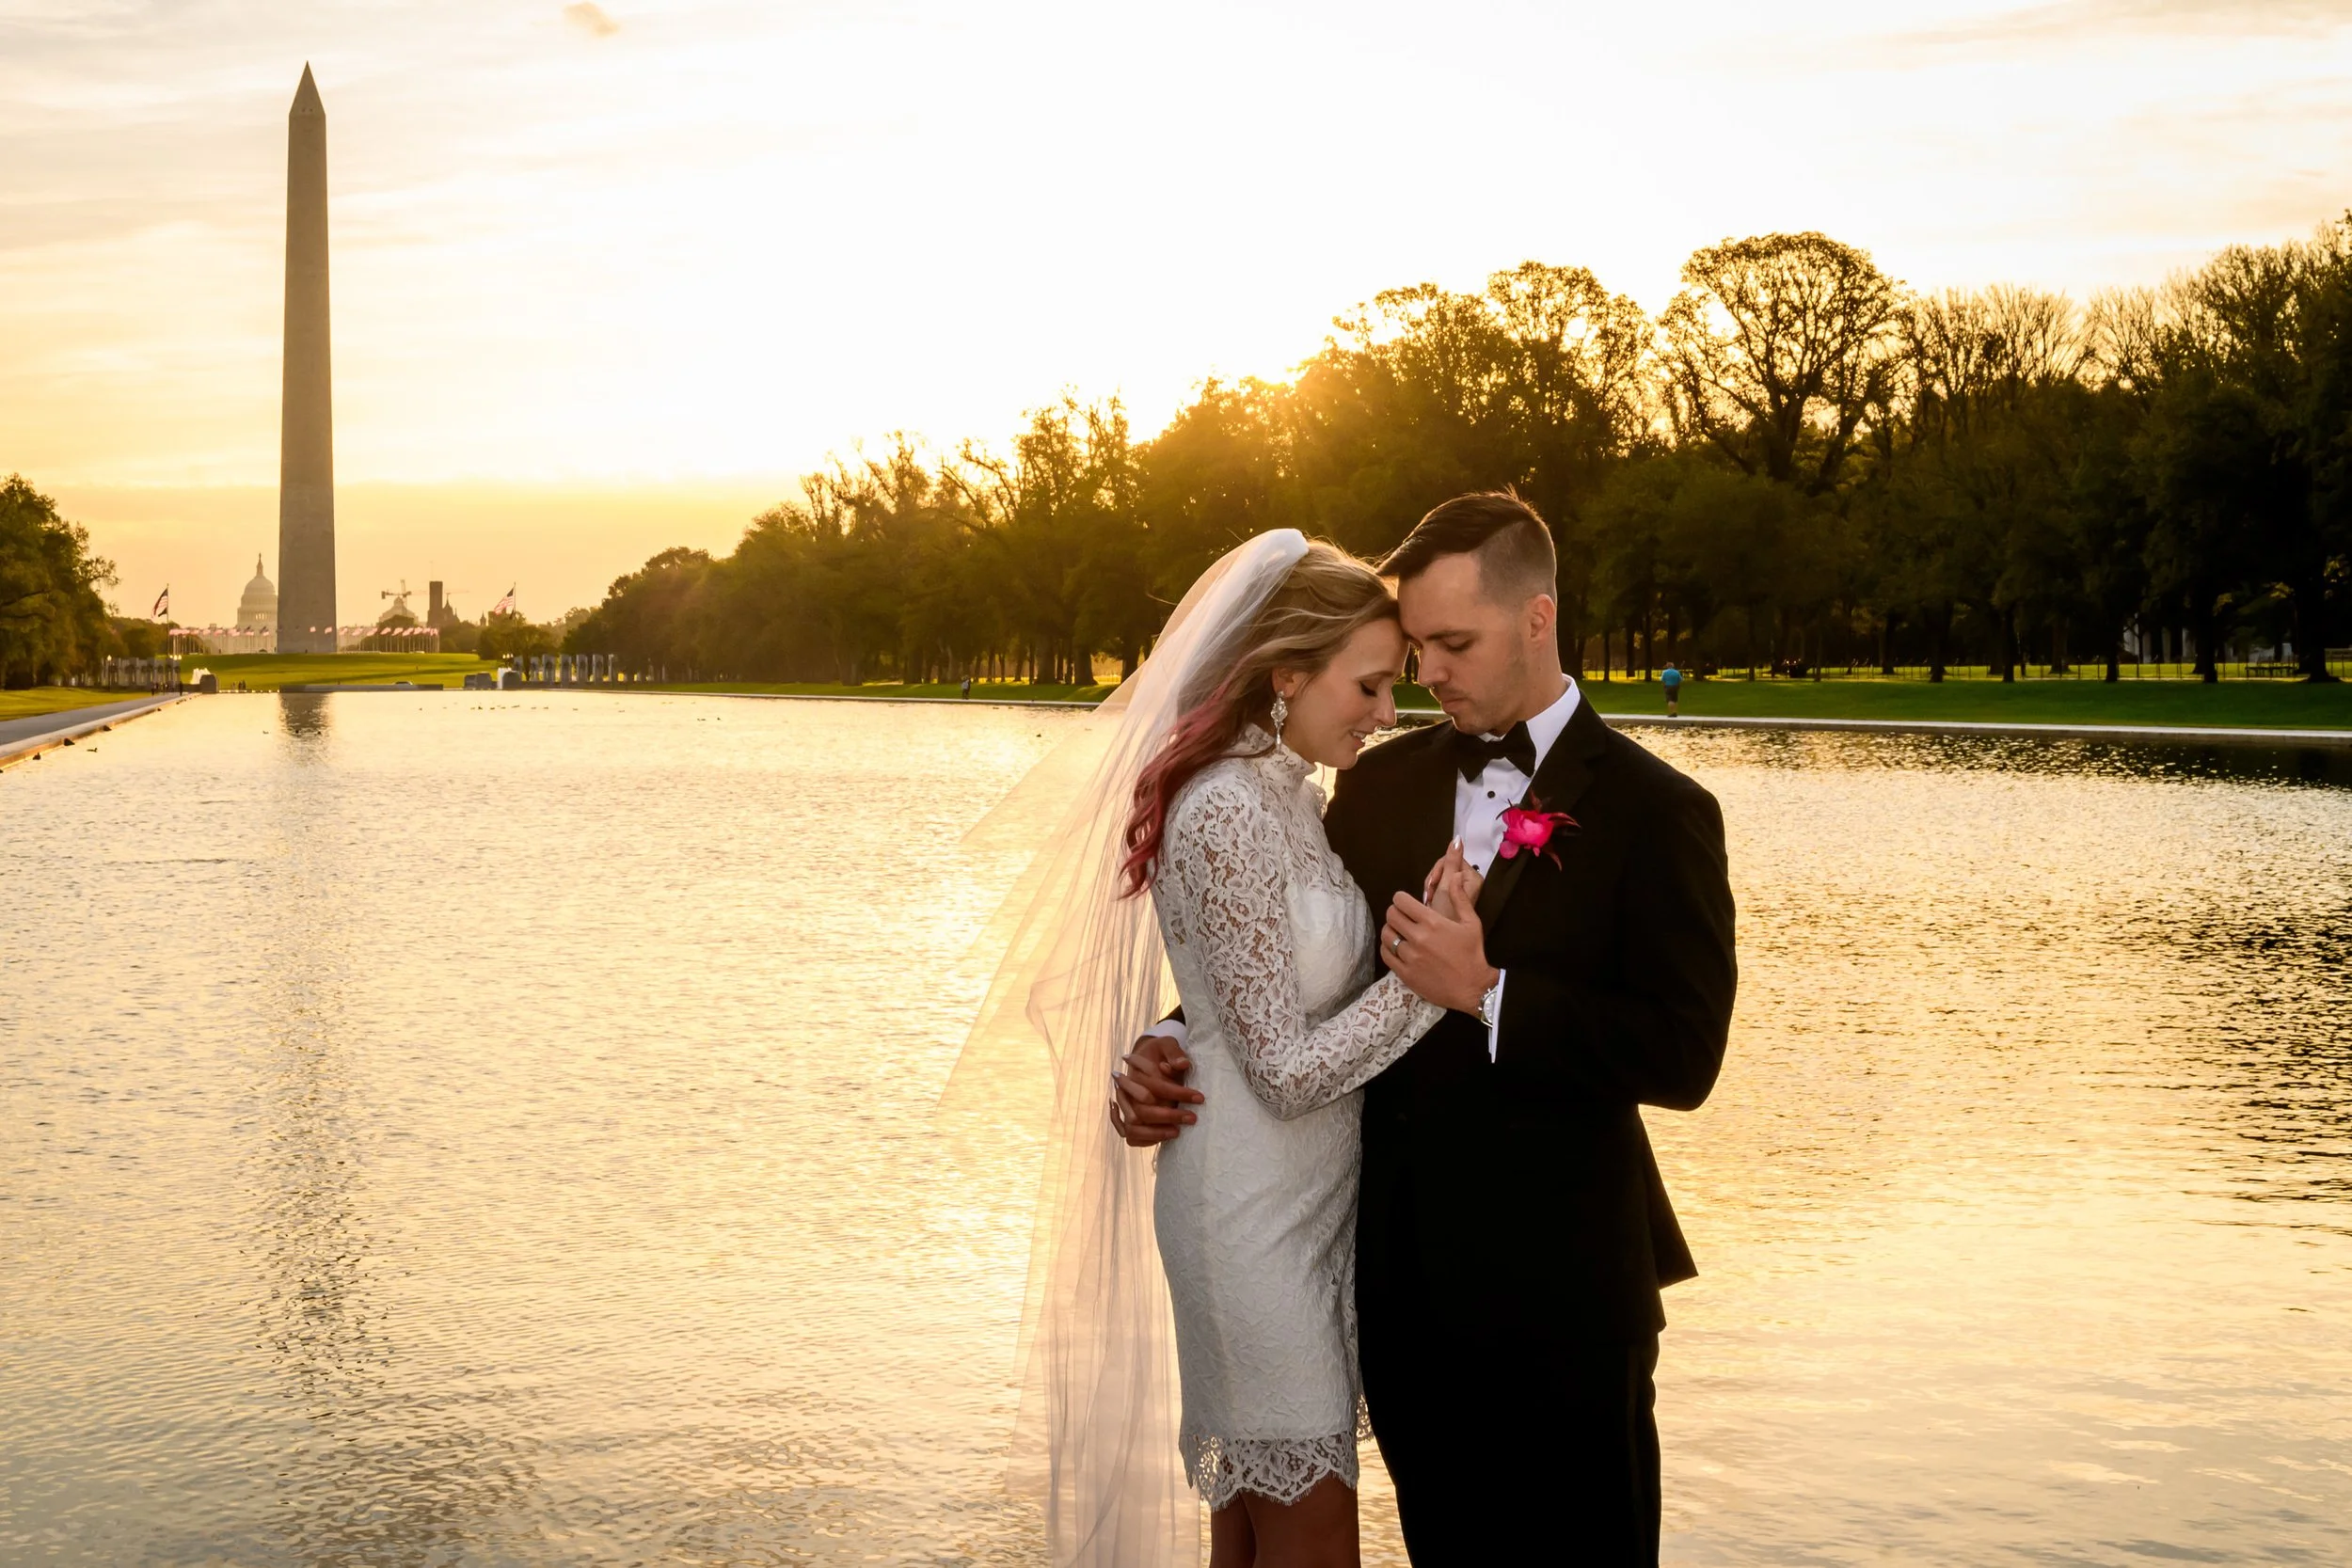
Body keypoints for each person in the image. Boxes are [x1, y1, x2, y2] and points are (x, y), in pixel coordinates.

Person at [1116, 492, 1738, 1565]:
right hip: (1392, 1286)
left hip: (1566, 1294)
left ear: (1537, 619)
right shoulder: (1375, 784)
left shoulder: (1658, 810)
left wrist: (1488, 990)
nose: (1430, 674)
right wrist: (1169, 1041)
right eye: (1417, 648)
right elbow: (1295, 964)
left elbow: (1684, 1056)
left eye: (1456, 643)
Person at [953, 531, 1482, 1568]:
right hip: (1248, 1214)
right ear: (1287, 673)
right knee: (1314, 1534)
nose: (1388, 711)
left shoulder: (1292, 794)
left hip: (1304, 1209)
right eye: (1369, 685)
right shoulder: (1226, 809)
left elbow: (1248, 995)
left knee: (1252, 1533)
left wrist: (1172, 1029)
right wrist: (1433, 982)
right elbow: (1280, 1070)